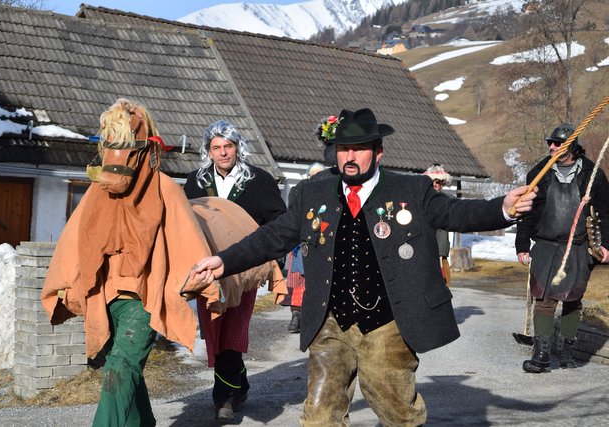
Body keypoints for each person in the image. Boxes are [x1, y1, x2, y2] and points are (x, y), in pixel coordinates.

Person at [191, 108, 536, 426]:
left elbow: (457, 215)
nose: (350, 157)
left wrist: (502, 209)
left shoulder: (412, 189)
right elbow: (272, 237)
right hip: (329, 322)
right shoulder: (312, 194)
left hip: (387, 323)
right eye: (343, 149)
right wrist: (224, 261)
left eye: (358, 148)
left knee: (399, 413)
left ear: (378, 152)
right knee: (320, 418)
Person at [41, 99, 221, 426]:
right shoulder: (97, 193)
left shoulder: (166, 191)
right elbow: (75, 242)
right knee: (125, 371)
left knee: (118, 370)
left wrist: (203, 284)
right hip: (106, 300)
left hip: (143, 302)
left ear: (143, 149)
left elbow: (188, 243)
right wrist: (68, 289)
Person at [184, 119, 287, 419]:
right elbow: (185, 224)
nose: (223, 153)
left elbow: (278, 223)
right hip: (208, 271)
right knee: (214, 331)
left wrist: (272, 263)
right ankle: (238, 386)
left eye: (228, 146)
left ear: (237, 148)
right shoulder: (196, 182)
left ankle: (224, 399)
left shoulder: (259, 180)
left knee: (232, 330)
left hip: (245, 270)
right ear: (208, 151)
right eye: (216, 148)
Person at [515, 122, 609, 374]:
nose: (552, 147)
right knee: (544, 297)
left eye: (557, 143)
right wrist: (522, 244)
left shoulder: (593, 174)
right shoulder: (539, 173)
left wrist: (606, 244)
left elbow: (606, 213)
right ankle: (542, 353)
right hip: (545, 244)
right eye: (550, 143)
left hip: (578, 246)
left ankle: (567, 348)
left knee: (572, 299)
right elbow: (527, 212)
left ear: (572, 146)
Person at [286, 162, 327, 333]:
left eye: (320, 175)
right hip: (303, 242)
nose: (316, 178)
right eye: (314, 175)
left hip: (324, 243)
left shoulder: (331, 192)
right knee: (299, 281)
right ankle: (297, 316)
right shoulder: (299, 191)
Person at [423, 163, 453, 287]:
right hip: (424, 246)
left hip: (440, 247)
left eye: (439, 182)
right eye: (433, 182)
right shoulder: (420, 199)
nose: (436, 184)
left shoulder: (447, 200)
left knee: (443, 282)